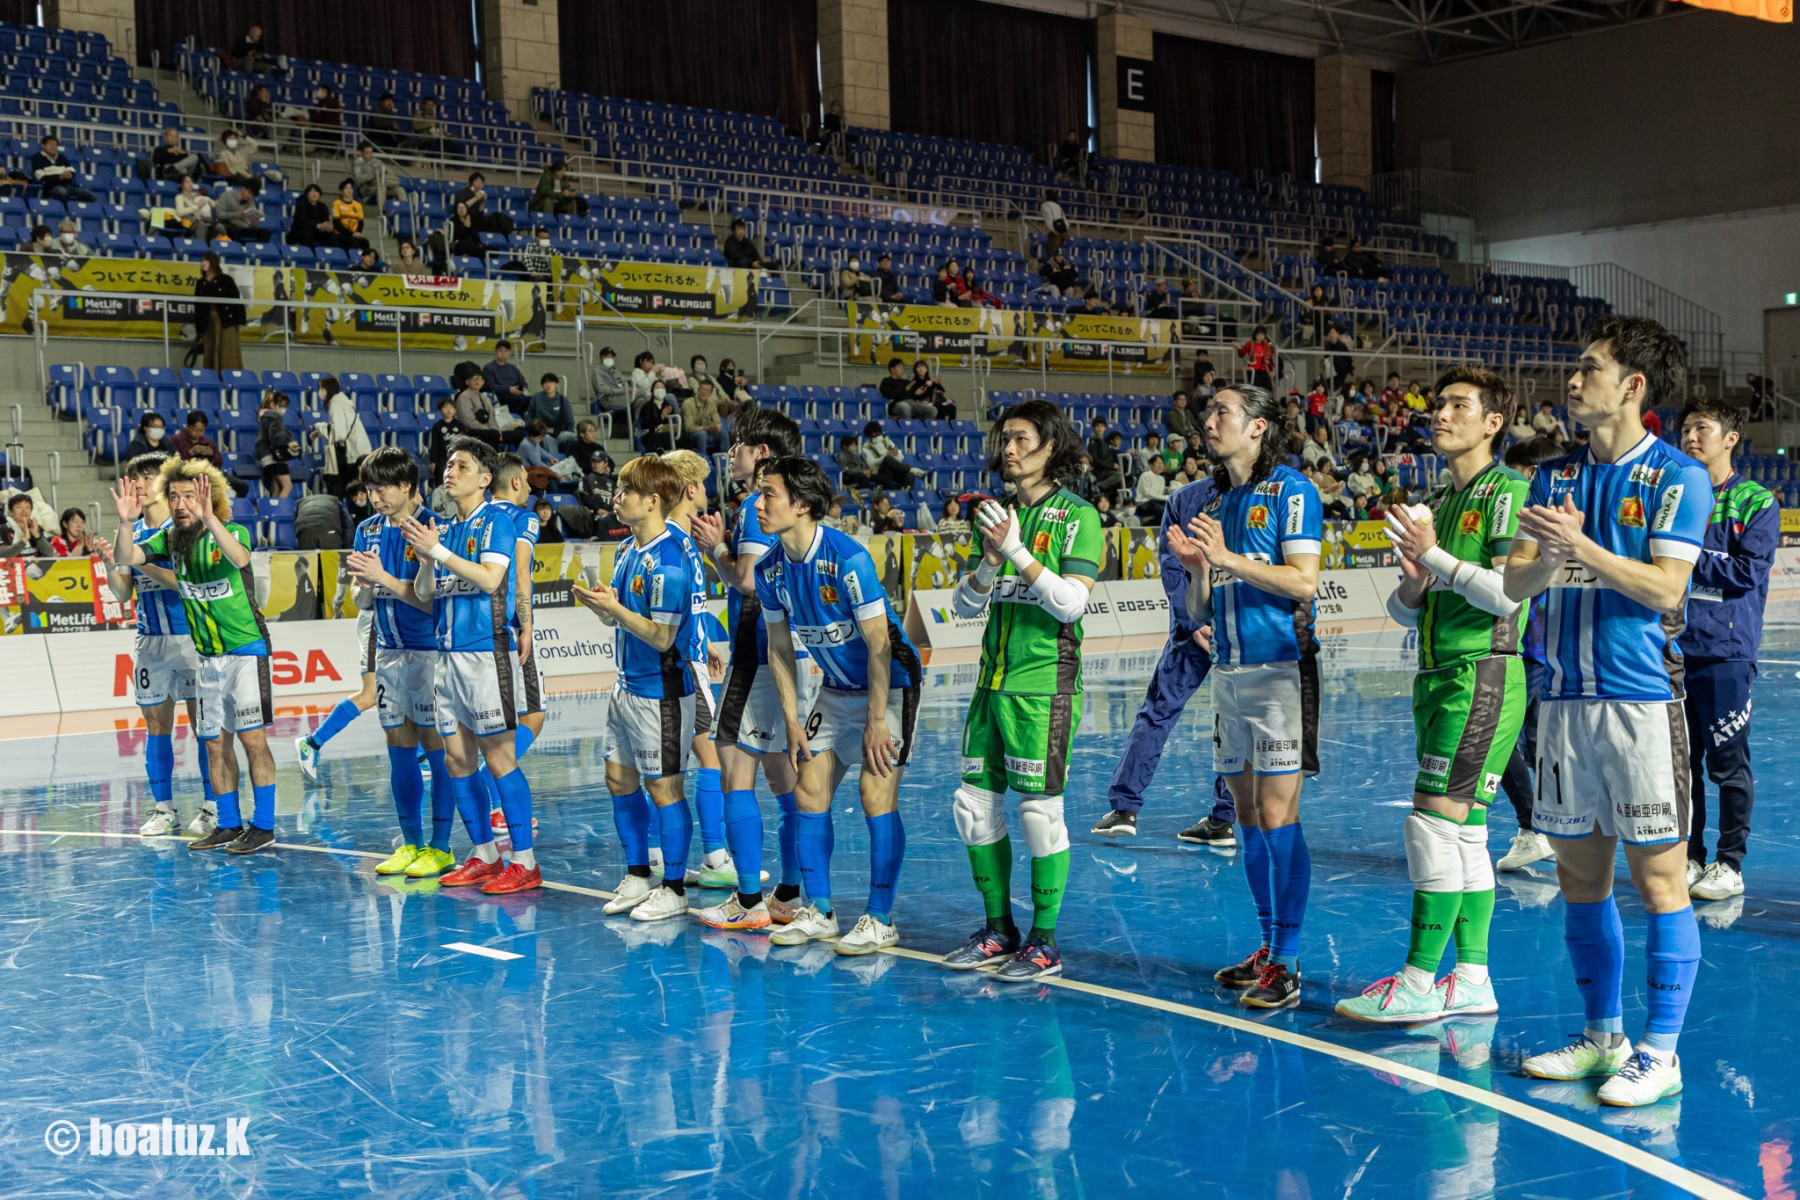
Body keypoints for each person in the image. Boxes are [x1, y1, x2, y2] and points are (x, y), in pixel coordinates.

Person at [1504, 316, 1713, 1107]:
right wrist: (1548, 558)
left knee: (1659, 881)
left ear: (1633, 386)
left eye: (1590, 368)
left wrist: (1582, 549)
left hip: (1641, 704)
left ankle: (1662, 1053)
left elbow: (1667, 589)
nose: (1573, 379)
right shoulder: (1551, 478)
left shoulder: (1677, 476)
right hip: (1563, 703)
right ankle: (1603, 1038)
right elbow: (1516, 585)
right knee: (1579, 879)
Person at [1335, 367, 1528, 1025]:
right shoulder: (1440, 502)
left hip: (1481, 673)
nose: (1440, 414)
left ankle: (1419, 981)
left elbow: (1507, 595)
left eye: (1458, 405)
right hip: (1440, 675)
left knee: (1432, 824)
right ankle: (1472, 979)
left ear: (1493, 422)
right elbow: (1404, 609)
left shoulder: (1508, 492)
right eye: (1439, 404)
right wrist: (1417, 577)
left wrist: (1435, 558)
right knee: (1465, 835)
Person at [1165, 383, 1322, 1011]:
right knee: (1249, 816)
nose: (1209, 420)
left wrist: (1227, 556)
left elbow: (1303, 582)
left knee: (1279, 817)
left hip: (1280, 672)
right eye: (1208, 411)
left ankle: (1288, 960)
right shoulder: (1217, 501)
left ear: (1257, 426)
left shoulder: (1292, 492)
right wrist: (1200, 570)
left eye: (1222, 411)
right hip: (1228, 674)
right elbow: (1202, 608)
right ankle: (1266, 945)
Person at [937, 400, 1101, 979]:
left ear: (1050, 447)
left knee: (1039, 814)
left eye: (1022, 439)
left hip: (1043, 686)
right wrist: (988, 563)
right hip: (991, 683)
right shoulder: (997, 516)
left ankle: (1045, 941)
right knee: (972, 808)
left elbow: (1071, 603)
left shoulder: (1078, 516)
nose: (1008, 449)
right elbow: (964, 606)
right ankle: (999, 930)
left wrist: (1015, 551)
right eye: (1004, 438)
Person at [754, 457, 921, 955]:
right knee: (808, 790)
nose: (758, 504)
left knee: (874, 795)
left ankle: (880, 918)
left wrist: (876, 721)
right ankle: (821, 911)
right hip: (833, 688)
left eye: (769, 494)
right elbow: (779, 648)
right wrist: (791, 719)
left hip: (890, 684)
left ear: (801, 505)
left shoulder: (849, 559)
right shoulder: (769, 569)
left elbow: (880, 646)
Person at [111, 457, 277, 853]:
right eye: (174, 497)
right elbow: (128, 558)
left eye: (190, 496)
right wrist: (125, 523)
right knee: (214, 743)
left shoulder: (232, 531)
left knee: (253, 741)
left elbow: (239, 558)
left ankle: (264, 825)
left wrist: (210, 517)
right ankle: (228, 823)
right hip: (207, 659)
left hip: (245, 653)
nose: (181, 503)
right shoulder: (170, 541)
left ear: (209, 497)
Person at [399, 437, 542, 894]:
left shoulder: (497, 520)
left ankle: (524, 861)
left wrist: (438, 552)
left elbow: (492, 578)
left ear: (484, 478)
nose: (450, 471)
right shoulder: (442, 528)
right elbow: (425, 594)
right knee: (457, 759)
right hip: (445, 658)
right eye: (448, 464)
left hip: (485, 654)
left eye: (461, 465)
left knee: (498, 757)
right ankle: (484, 853)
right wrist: (428, 559)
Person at [688, 409, 811, 927]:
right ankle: (791, 892)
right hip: (789, 653)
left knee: (734, 772)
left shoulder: (757, 506)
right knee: (784, 780)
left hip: (757, 655)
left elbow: (748, 580)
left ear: (761, 453)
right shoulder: (795, 502)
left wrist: (715, 546)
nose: (729, 453)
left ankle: (747, 902)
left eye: (737, 444)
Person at [574, 455, 699, 921]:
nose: (616, 497)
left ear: (652, 501)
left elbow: (663, 637)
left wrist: (616, 610)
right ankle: (638, 874)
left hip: (661, 692)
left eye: (626, 490)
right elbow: (620, 620)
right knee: (618, 780)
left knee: (664, 788)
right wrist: (602, 606)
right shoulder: (628, 549)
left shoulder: (670, 561)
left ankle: (675, 888)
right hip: (625, 687)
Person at [1092, 472, 1236, 846]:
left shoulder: (1186, 497)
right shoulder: (1266, 494)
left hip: (1194, 631)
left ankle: (1124, 809)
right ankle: (1225, 817)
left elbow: (1173, 567)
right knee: (1237, 722)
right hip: (1241, 627)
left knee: (1157, 714)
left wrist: (1191, 622)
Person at [1677, 397, 1776, 902]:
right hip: (1671, 650)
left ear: (1730, 438)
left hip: (1726, 651)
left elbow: (1745, 573)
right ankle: (1690, 857)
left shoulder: (1756, 501)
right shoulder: (1673, 497)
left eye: (1702, 428)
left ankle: (1730, 863)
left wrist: (1683, 556)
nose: (1690, 436)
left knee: (1727, 763)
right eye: (1685, 429)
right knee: (1681, 765)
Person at [98, 454, 214, 837]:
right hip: (149, 641)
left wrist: (137, 559)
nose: (140, 485)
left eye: (148, 477)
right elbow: (122, 593)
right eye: (135, 478)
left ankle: (212, 806)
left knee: (203, 725)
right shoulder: (129, 530)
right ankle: (164, 809)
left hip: (190, 638)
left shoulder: (183, 526)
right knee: (156, 725)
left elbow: (184, 583)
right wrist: (111, 564)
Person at [661, 450, 735, 890]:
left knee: (664, 765)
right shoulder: (681, 542)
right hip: (682, 666)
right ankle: (715, 858)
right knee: (711, 757)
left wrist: (704, 639)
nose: (706, 492)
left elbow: (685, 605)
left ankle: (657, 857)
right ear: (690, 489)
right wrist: (694, 648)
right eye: (703, 485)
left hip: (684, 657)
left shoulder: (670, 536)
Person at [1493, 435, 1562, 872]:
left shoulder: (1539, 520)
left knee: (1499, 741)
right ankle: (1548, 827)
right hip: (1538, 647)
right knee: (1534, 744)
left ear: (1532, 474)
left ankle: (1535, 827)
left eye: (1514, 474)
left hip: (1529, 646)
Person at [319, 375, 373, 497]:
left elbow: (339, 434)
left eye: (321, 388)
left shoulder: (337, 405)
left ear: (328, 389)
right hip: (360, 450)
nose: (320, 392)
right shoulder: (343, 403)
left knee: (354, 491)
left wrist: (320, 428)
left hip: (355, 454)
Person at [254, 390, 298, 498]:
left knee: (277, 487)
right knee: (287, 486)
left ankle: (273, 507)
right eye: (281, 406)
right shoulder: (273, 418)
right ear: (272, 405)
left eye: (285, 407)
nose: (283, 409)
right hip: (274, 457)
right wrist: (288, 438)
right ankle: (280, 508)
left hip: (266, 457)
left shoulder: (265, 418)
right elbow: (276, 438)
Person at [31, 134, 94, 204]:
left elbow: (71, 170)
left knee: (91, 195)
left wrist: (70, 175)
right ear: (43, 146)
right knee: (62, 193)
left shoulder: (61, 157)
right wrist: (59, 177)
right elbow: (40, 177)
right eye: (50, 144)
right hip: (50, 187)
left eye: (55, 145)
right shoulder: (37, 157)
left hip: (67, 186)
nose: (53, 147)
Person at [452, 365, 500, 447]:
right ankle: (492, 455)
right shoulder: (463, 397)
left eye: (480, 379)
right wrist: (489, 430)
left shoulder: (485, 398)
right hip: (470, 431)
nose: (477, 381)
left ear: (483, 382)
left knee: (518, 434)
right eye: (474, 379)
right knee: (493, 434)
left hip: (488, 431)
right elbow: (468, 421)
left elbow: (492, 418)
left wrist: (497, 430)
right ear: (467, 382)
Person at [349, 141, 406, 207]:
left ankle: (404, 209)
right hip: (368, 188)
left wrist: (384, 172)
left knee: (400, 189)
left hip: (383, 182)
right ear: (361, 153)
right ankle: (382, 210)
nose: (370, 155)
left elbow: (389, 172)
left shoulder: (377, 161)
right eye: (367, 153)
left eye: (371, 152)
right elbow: (359, 179)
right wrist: (373, 173)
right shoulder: (357, 164)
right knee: (382, 186)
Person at [524, 373, 574, 447]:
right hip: (541, 432)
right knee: (547, 438)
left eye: (551, 382)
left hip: (559, 432)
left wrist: (570, 432)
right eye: (545, 383)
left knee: (573, 437)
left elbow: (569, 421)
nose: (548, 385)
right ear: (542, 386)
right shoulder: (536, 398)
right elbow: (529, 415)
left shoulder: (563, 400)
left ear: (557, 385)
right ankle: (553, 454)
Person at [681, 380, 725, 458]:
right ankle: (702, 461)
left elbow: (718, 423)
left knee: (723, 434)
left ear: (710, 393)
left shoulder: (711, 404)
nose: (704, 392)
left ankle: (725, 461)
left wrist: (716, 427)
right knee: (702, 434)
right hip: (689, 435)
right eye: (702, 389)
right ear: (698, 390)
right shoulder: (688, 403)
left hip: (706, 433)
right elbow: (688, 428)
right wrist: (707, 428)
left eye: (707, 390)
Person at [484, 341, 529, 417]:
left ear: (509, 353)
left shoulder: (513, 368)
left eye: (506, 351)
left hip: (516, 396)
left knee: (534, 400)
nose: (503, 353)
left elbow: (523, 383)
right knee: (526, 400)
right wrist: (509, 389)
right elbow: (490, 386)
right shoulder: (489, 368)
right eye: (500, 350)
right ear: (496, 352)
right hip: (500, 397)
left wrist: (521, 391)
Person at [636, 382, 678, 454]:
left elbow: (672, 423)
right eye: (657, 388)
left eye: (662, 388)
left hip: (666, 433)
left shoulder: (668, 406)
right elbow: (648, 425)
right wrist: (662, 416)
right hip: (650, 435)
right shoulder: (647, 406)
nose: (660, 390)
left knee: (681, 437)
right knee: (667, 438)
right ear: (652, 390)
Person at [330, 179, 369, 251]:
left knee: (365, 242)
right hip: (341, 234)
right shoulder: (336, 204)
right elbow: (337, 224)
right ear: (342, 191)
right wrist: (351, 233)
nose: (349, 190)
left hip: (354, 234)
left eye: (351, 188)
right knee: (350, 241)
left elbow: (360, 222)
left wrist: (358, 232)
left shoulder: (358, 205)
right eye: (346, 188)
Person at [591, 347, 630, 416]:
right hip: (607, 399)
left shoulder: (616, 371)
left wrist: (628, 389)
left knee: (641, 399)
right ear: (601, 357)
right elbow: (601, 389)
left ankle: (637, 419)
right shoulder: (597, 371)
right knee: (641, 397)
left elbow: (623, 382)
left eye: (612, 357)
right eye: (608, 356)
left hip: (619, 396)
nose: (610, 358)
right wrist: (621, 391)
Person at [1237, 326, 1276, 392]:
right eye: (1259, 334)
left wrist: (1271, 370)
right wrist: (1239, 348)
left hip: (1262, 370)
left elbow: (1268, 359)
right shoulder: (1250, 344)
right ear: (1255, 334)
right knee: (1258, 385)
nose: (1260, 336)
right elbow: (1241, 354)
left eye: (1262, 334)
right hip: (1252, 370)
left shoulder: (1265, 345)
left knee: (1269, 387)